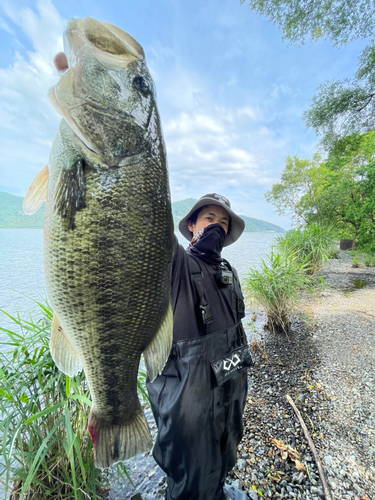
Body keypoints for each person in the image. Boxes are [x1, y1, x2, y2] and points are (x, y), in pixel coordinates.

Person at [147, 193, 252, 500]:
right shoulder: (177, 266)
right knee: (191, 473)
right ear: (191, 226)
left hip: (229, 391)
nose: (217, 227)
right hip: (188, 400)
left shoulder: (229, 271)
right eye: (209, 219)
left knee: (225, 452)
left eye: (223, 222)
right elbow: (152, 231)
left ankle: (218, 490)